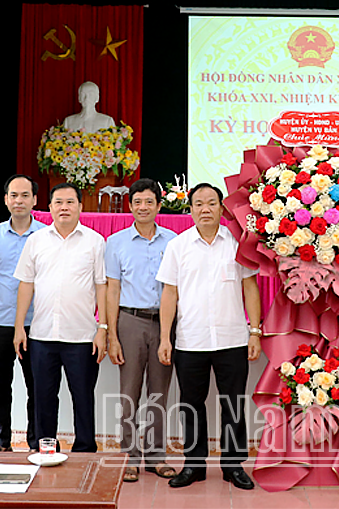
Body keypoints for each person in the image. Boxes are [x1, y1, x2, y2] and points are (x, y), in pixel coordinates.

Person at [156, 183, 262, 490]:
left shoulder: (236, 243)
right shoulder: (178, 246)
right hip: (190, 341)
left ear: (221, 208)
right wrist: (166, 337)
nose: (205, 209)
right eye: (199, 204)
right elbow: (169, 293)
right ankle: (194, 465)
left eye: (211, 203)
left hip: (232, 339)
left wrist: (254, 331)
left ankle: (233, 466)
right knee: (191, 404)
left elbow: (250, 289)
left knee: (233, 404)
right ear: (190, 210)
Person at [14, 183, 108, 452]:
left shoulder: (94, 241)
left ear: (80, 206)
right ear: (50, 207)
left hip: (82, 336)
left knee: (83, 397)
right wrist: (20, 326)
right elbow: (26, 284)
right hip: (42, 336)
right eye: (58, 202)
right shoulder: (36, 241)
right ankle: (46, 450)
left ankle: (85, 451)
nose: (64, 207)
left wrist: (102, 328)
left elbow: (102, 285)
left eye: (70, 202)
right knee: (43, 398)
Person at [105, 179, 178, 482]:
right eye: (138, 202)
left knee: (159, 393)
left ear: (159, 206)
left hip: (164, 323)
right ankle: (129, 456)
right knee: (129, 393)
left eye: (149, 202)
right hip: (130, 321)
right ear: (130, 206)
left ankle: (157, 456)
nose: (143, 207)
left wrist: (168, 332)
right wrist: (112, 335)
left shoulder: (173, 242)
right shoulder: (116, 243)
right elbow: (112, 289)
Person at [0, 175, 46, 452]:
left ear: (34, 200)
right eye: (13, 195)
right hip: (1, 321)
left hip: (38, 323)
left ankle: (36, 442)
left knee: (38, 387)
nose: (18, 201)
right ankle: (0, 441)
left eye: (24, 195)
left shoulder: (47, 235)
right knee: (0, 387)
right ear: (6, 199)